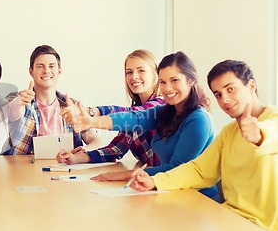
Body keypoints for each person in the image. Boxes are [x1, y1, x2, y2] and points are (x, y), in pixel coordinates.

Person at [130, 60, 278, 231]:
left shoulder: (271, 122)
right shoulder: (229, 132)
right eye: (218, 94)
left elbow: (271, 134)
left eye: (230, 89)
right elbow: (200, 171)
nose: (225, 99)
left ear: (251, 85)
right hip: (228, 219)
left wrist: (259, 135)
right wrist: (154, 181)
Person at [65, 51, 218, 199]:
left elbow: (177, 169)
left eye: (174, 80)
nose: (167, 88)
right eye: (163, 82)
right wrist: (90, 123)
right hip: (168, 192)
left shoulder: (199, 119)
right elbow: (134, 118)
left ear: (191, 81)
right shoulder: (166, 111)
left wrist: (127, 174)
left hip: (197, 197)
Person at [56, 49, 164, 166]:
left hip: (169, 179)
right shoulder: (135, 109)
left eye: (141, 70)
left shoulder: (161, 104)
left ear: (155, 74)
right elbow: (115, 149)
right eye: (129, 72)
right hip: (151, 177)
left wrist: (90, 112)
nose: (134, 77)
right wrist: (77, 158)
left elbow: (131, 115)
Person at [2, 45, 101, 155]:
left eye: (51, 66)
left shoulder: (71, 106)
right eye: (40, 66)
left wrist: (86, 150)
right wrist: (18, 103)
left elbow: (96, 141)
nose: (46, 71)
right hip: (23, 169)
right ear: (31, 72)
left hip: (65, 169)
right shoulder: (19, 99)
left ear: (59, 71)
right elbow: (7, 111)